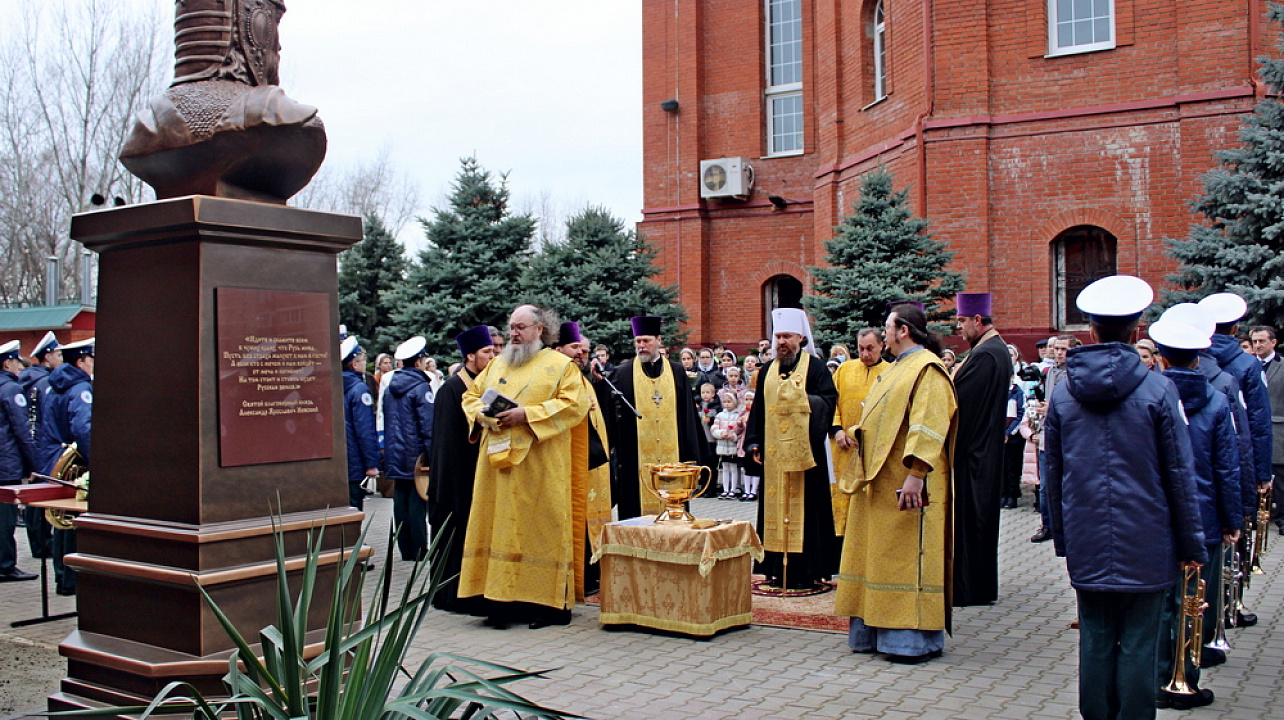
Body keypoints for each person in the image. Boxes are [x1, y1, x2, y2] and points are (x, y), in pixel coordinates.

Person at [1043, 276, 1205, 720]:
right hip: (1147, 539)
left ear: (1091, 331)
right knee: (1138, 640)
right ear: (1137, 330)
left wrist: (1062, 536)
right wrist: (1191, 545)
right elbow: (1179, 474)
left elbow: (1052, 474)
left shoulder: (1062, 392)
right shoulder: (1159, 389)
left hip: (1088, 537)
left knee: (1094, 636)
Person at [834, 303, 956, 663]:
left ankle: (909, 640)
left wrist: (917, 474)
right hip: (878, 481)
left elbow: (929, 425)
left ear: (903, 330)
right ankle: (873, 631)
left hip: (906, 484)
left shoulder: (927, 369)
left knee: (903, 560)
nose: (883, 334)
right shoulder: (899, 368)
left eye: (887, 328)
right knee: (876, 558)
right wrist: (858, 432)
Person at [460, 305, 591, 628]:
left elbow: (575, 405)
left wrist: (526, 415)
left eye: (520, 327)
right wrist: (483, 415)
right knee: (500, 527)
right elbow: (471, 397)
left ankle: (546, 606)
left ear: (540, 330)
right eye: (511, 327)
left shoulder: (561, 366)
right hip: (498, 468)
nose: (513, 333)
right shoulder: (497, 364)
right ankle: (501, 603)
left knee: (541, 529)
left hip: (541, 466)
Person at [1148, 310, 1241, 711]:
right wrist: (1233, 520)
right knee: (1194, 601)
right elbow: (1228, 468)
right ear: (1199, 358)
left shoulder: (1149, 396)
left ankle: (1157, 676)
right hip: (1203, 516)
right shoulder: (1219, 401)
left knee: (1160, 602)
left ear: (1162, 359)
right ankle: (1186, 674)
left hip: (1156, 519)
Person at [745, 308, 839, 590]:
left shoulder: (817, 367)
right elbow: (758, 409)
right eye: (777, 336)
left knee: (808, 513)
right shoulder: (767, 371)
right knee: (772, 510)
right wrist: (753, 442)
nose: (781, 342)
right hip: (774, 456)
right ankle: (774, 568)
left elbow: (828, 401)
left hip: (804, 457)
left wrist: (802, 398)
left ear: (800, 337)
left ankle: (805, 571)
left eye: (786, 336)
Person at [606, 316, 709, 520]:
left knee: (675, 519)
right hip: (635, 462)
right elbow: (610, 414)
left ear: (658, 340)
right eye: (638, 341)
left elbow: (688, 418)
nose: (641, 346)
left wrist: (693, 458)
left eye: (646, 340)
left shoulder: (677, 371)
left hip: (674, 462)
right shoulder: (622, 373)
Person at [428, 326, 496, 614]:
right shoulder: (451, 389)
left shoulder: (483, 385)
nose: (493, 356)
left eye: (494, 351)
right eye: (487, 352)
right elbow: (445, 446)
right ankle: (451, 595)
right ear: (470, 356)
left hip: (478, 475)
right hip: (455, 480)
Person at [949, 292, 1011, 607]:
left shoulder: (987, 354)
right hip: (983, 449)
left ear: (977, 320)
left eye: (962, 321)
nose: (959, 327)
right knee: (978, 521)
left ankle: (970, 588)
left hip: (975, 453)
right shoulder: (990, 350)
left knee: (972, 521)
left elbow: (962, 404)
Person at [552, 321, 612, 598]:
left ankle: (594, 573)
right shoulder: (554, 377)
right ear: (558, 349)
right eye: (575, 348)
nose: (581, 354)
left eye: (584, 350)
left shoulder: (585, 378)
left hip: (593, 460)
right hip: (569, 462)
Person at [35, 337, 94, 596]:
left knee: (61, 521)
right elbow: (84, 428)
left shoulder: (53, 386)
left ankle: (62, 574)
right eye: (91, 359)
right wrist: (95, 462)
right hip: (75, 463)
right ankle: (71, 578)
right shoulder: (80, 388)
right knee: (73, 520)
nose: (93, 364)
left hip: (54, 458)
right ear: (80, 361)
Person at [830, 327, 888, 537]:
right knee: (842, 501)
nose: (864, 354)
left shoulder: (890, 372)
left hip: (871, 451)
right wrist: (837, 430)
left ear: (882, 345)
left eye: (870, 348)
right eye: (861, 348)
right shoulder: (844, 370)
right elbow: (831, 402)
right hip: (843, 448)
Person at [383, 336, 434, 562]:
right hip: (415, 455)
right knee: (417, 502)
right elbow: (428, 425)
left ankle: (405, 549)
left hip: (395, 453)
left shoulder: (389, 387)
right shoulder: (421, 387)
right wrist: (432, 457)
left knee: (400, 501)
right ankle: (420, 549)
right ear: (418, 362)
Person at [18, 332, 58, 560]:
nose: (61, 358)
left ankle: (38, 543)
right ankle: (43, 544)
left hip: (32, 447)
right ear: (47, 356)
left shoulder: (27, 380)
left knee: (34, 498)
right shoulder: (45, 383)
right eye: (58, 353)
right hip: (43, 448)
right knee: (42, 499)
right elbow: (45, 419)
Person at [1030, 334, 1074, 543]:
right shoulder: (1049, 372)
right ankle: (1047, 524)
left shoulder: (1075, 374)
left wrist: (1054, 409)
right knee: (1046, 486)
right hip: (1047, 435)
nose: (1058, 353)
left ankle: (1068, 527)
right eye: (1056, 349)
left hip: (1067, 437)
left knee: (1067, 485)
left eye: (1063, 349)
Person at [0, 341, 38, 582]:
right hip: (6, 463)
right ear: (7, 362)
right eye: (16, 361)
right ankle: (5, 565)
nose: (19, 366)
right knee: (5, 519)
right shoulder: (11, 389)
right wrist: (34, 463)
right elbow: (22, 431)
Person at [1250, 326, 1284, 534]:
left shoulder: (1282, 366)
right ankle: (1253, 515)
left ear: (1273, 343)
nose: (1258, 345)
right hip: (1253, 429)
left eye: (1262, 341)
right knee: (1253, 474)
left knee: (1279, 478)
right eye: (1255, 341)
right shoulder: (1248, 365)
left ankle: (1281, 517)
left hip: (1278, 428)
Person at [340, 337, 380, 511]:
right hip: (355, 458)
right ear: (354, 365)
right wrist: (371, 463)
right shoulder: (359, 388)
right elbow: (364, 428)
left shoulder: (335, 385)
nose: (365, 364)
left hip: (340, 458)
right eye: (363, 360)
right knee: (355, 506)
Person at [711, 390, 745, 499]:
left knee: (734, 468)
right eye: (724, 402)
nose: (726, 404)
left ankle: (733, 489)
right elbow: (714, 429)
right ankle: (725, 489)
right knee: (725, 468)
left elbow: (740, 431)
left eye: (729, 402)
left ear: (735, 402)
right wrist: (721, 433)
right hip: (722, 446)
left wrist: (733, 435)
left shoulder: (738, 415)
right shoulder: (720, 415)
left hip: (733, 447)